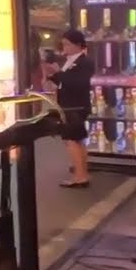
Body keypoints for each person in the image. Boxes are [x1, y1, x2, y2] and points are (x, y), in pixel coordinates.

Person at [45, 29, 95, 188]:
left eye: (68, 44)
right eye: (63, 43)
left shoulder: (84, 62)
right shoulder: (69, 60)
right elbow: (64, 80)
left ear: (78, 45)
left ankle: (80, 177)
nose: (64, 47)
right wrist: (53, 75)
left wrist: (58, 74)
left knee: (71, 140)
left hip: (75, 105)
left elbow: (77, 83)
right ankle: (82, 173)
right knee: (76, 139)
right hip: (69, 104)